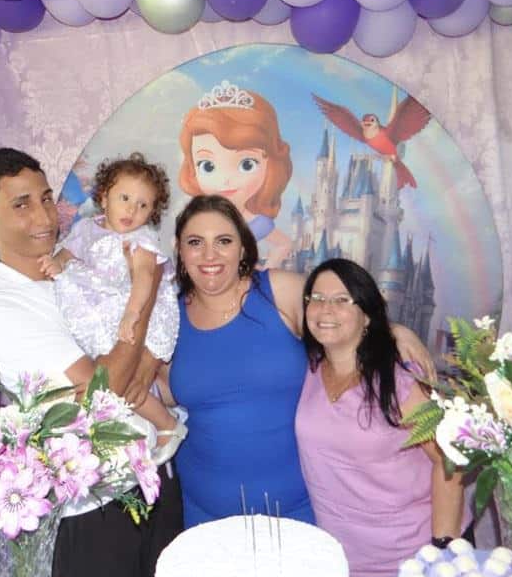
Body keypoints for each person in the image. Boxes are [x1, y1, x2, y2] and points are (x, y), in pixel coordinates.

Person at [0, 148, 183, 577]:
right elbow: (106, 390)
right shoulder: (1, 305)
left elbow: (141, 363)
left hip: (156, 472)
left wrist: (144, 360)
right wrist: (142, 304)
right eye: (21, 204)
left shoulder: (77, 263)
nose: (44, 217)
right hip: (97, 508)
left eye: (46, 198)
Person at [166, 194, 436, 528]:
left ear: (243, 249)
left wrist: (394, 330)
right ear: (180, 250)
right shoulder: (168, 317)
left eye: (224, 241)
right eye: (195, 242)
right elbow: (164, 390)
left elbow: (340, 314)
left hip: (297, 512)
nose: (210, 254)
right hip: (205, 516)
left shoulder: (278, 291)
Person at [295, 258, 471, 577]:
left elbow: (449, 459)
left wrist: (443, 552)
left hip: (414, 560)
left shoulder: (400, 377)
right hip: (340, 560)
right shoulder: (309, 367)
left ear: (366, 315)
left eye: (342, 299)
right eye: (316, 298)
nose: (325, 309)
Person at [38, 152, 186, 464]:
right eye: (125, 198)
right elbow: (68, 252)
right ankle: (146, 422)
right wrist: (57, 263)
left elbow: (144, 279)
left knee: (124, 379)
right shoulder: (86, 229)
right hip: (104, 306)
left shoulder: (140, 240)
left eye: (143, 205)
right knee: (107, 374)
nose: (132, 210)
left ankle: (168, 424)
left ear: (153, 212)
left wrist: (131, 314)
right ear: (104, 197)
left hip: (139, 309)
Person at [178, 81, 293, 267]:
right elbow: (178, 243)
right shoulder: (198, 218)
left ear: (270, 164)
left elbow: (284, 244)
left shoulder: (257, 223)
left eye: (247, 164)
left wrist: (264, 271)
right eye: (208, 166)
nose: (225, 180)